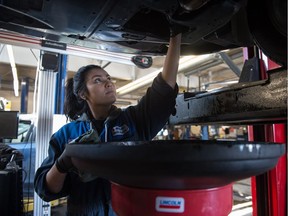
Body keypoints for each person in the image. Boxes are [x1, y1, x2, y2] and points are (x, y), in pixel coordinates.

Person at [34, 33, 181, 216]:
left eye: (108, 78)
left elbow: (164, 90)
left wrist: (175, 36)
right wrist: (62, 163)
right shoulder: (65, 135)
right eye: (98, 80)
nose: (108, 83)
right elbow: (46, 190)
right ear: (82, 94)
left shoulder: (134, 120)